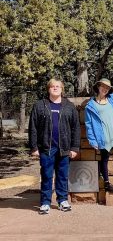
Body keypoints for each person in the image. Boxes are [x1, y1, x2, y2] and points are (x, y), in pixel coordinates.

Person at [28, 78, 81, 214]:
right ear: (49, 89)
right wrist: (34, 147)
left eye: (58, 86)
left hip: (64, 148)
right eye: (52, 86)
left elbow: (76, 128)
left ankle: (62, 200)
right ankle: (45, 203)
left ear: (62, 89)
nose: (55, 88)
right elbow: (33, 127)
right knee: (46, 176)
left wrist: (74, 148)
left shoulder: (69, 106)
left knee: (62, 176)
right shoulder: (40, 105)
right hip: (46, 148)